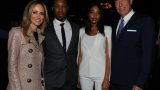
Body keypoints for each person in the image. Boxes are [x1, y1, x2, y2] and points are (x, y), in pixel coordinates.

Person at [110, 0, 155, 90]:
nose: (120, 4)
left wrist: (140, 82)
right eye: (117, 1)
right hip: (114, 82)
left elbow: (148, 55)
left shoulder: (145, 21)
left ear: (131, 1)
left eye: (123, 0)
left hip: (132, 83)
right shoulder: (114, 23)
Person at [7, 0, 49, 90]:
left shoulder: (40, 36)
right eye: (35, 12)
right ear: (28, 13)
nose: (38, 16)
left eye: (41, 13)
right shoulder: (17, 33)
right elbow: (12, 66)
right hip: (22, 86)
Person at [43, 0, 80, 89]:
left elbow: (79, 53)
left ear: (67, 8)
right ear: (52, 8)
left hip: (71, 80)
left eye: (63, 6)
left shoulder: (76, 28)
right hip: (52, 79)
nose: (60, 9)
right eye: (57, 6)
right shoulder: (44, 28)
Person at [77, 2, 112, 90]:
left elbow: (108, 56)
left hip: (100, 74)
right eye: (92, 12)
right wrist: (78, 76)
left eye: (98, 13)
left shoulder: (107, 30)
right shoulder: (81, 31)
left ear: (101, 15)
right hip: (84, 73)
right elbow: (80, 55)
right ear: (88, 14)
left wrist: (107, 78)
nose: (95, 15)